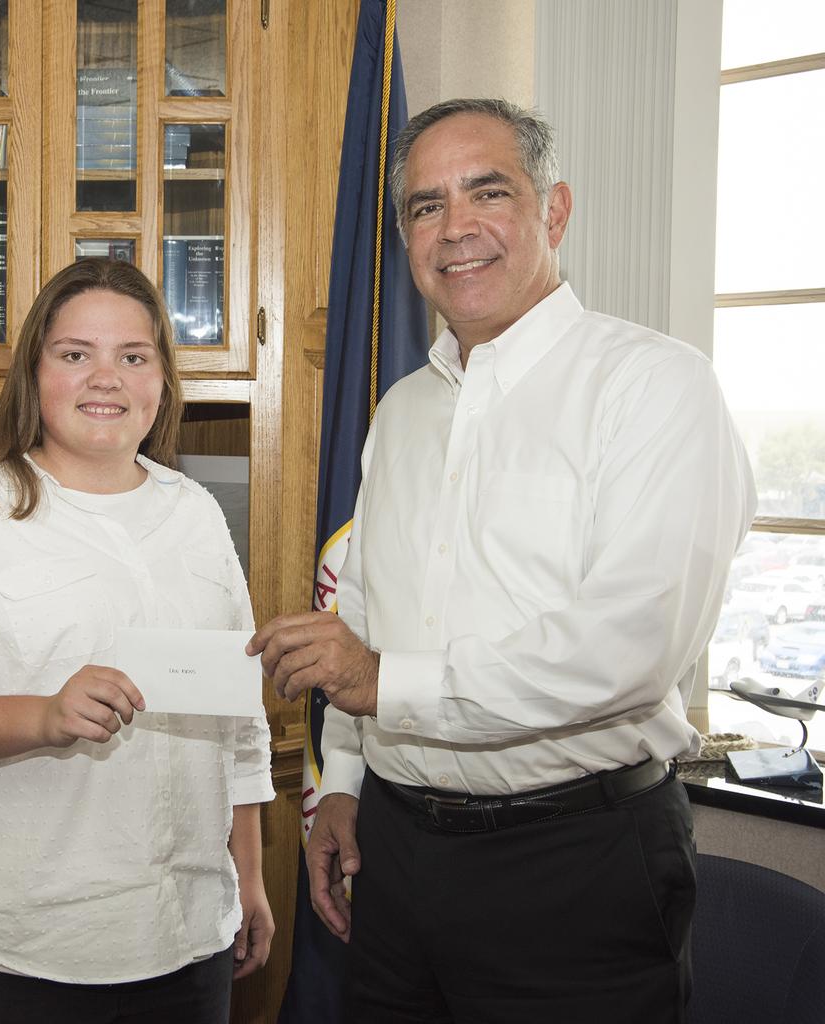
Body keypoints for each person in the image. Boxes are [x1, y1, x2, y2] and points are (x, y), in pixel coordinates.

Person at [248, 98, 756, 1023]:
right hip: (395, 860)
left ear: (553, 211)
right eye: (425, 206)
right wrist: (347, 789)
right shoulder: (402, 409)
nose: (456, 228)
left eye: (488, 192)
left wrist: (380, 680)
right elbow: (364, 612)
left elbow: (627, 650)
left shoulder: (654, 388)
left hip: (573, 866)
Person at [0, 257, 275, 1024]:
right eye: (76, 354)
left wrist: (247, 876)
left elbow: (235, 713)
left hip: (189, 942)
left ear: (161, 379)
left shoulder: (196, 515)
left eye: (133, 356)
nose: (105, 378)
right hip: (24, 954)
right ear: (35, 372)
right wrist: (44, 715)